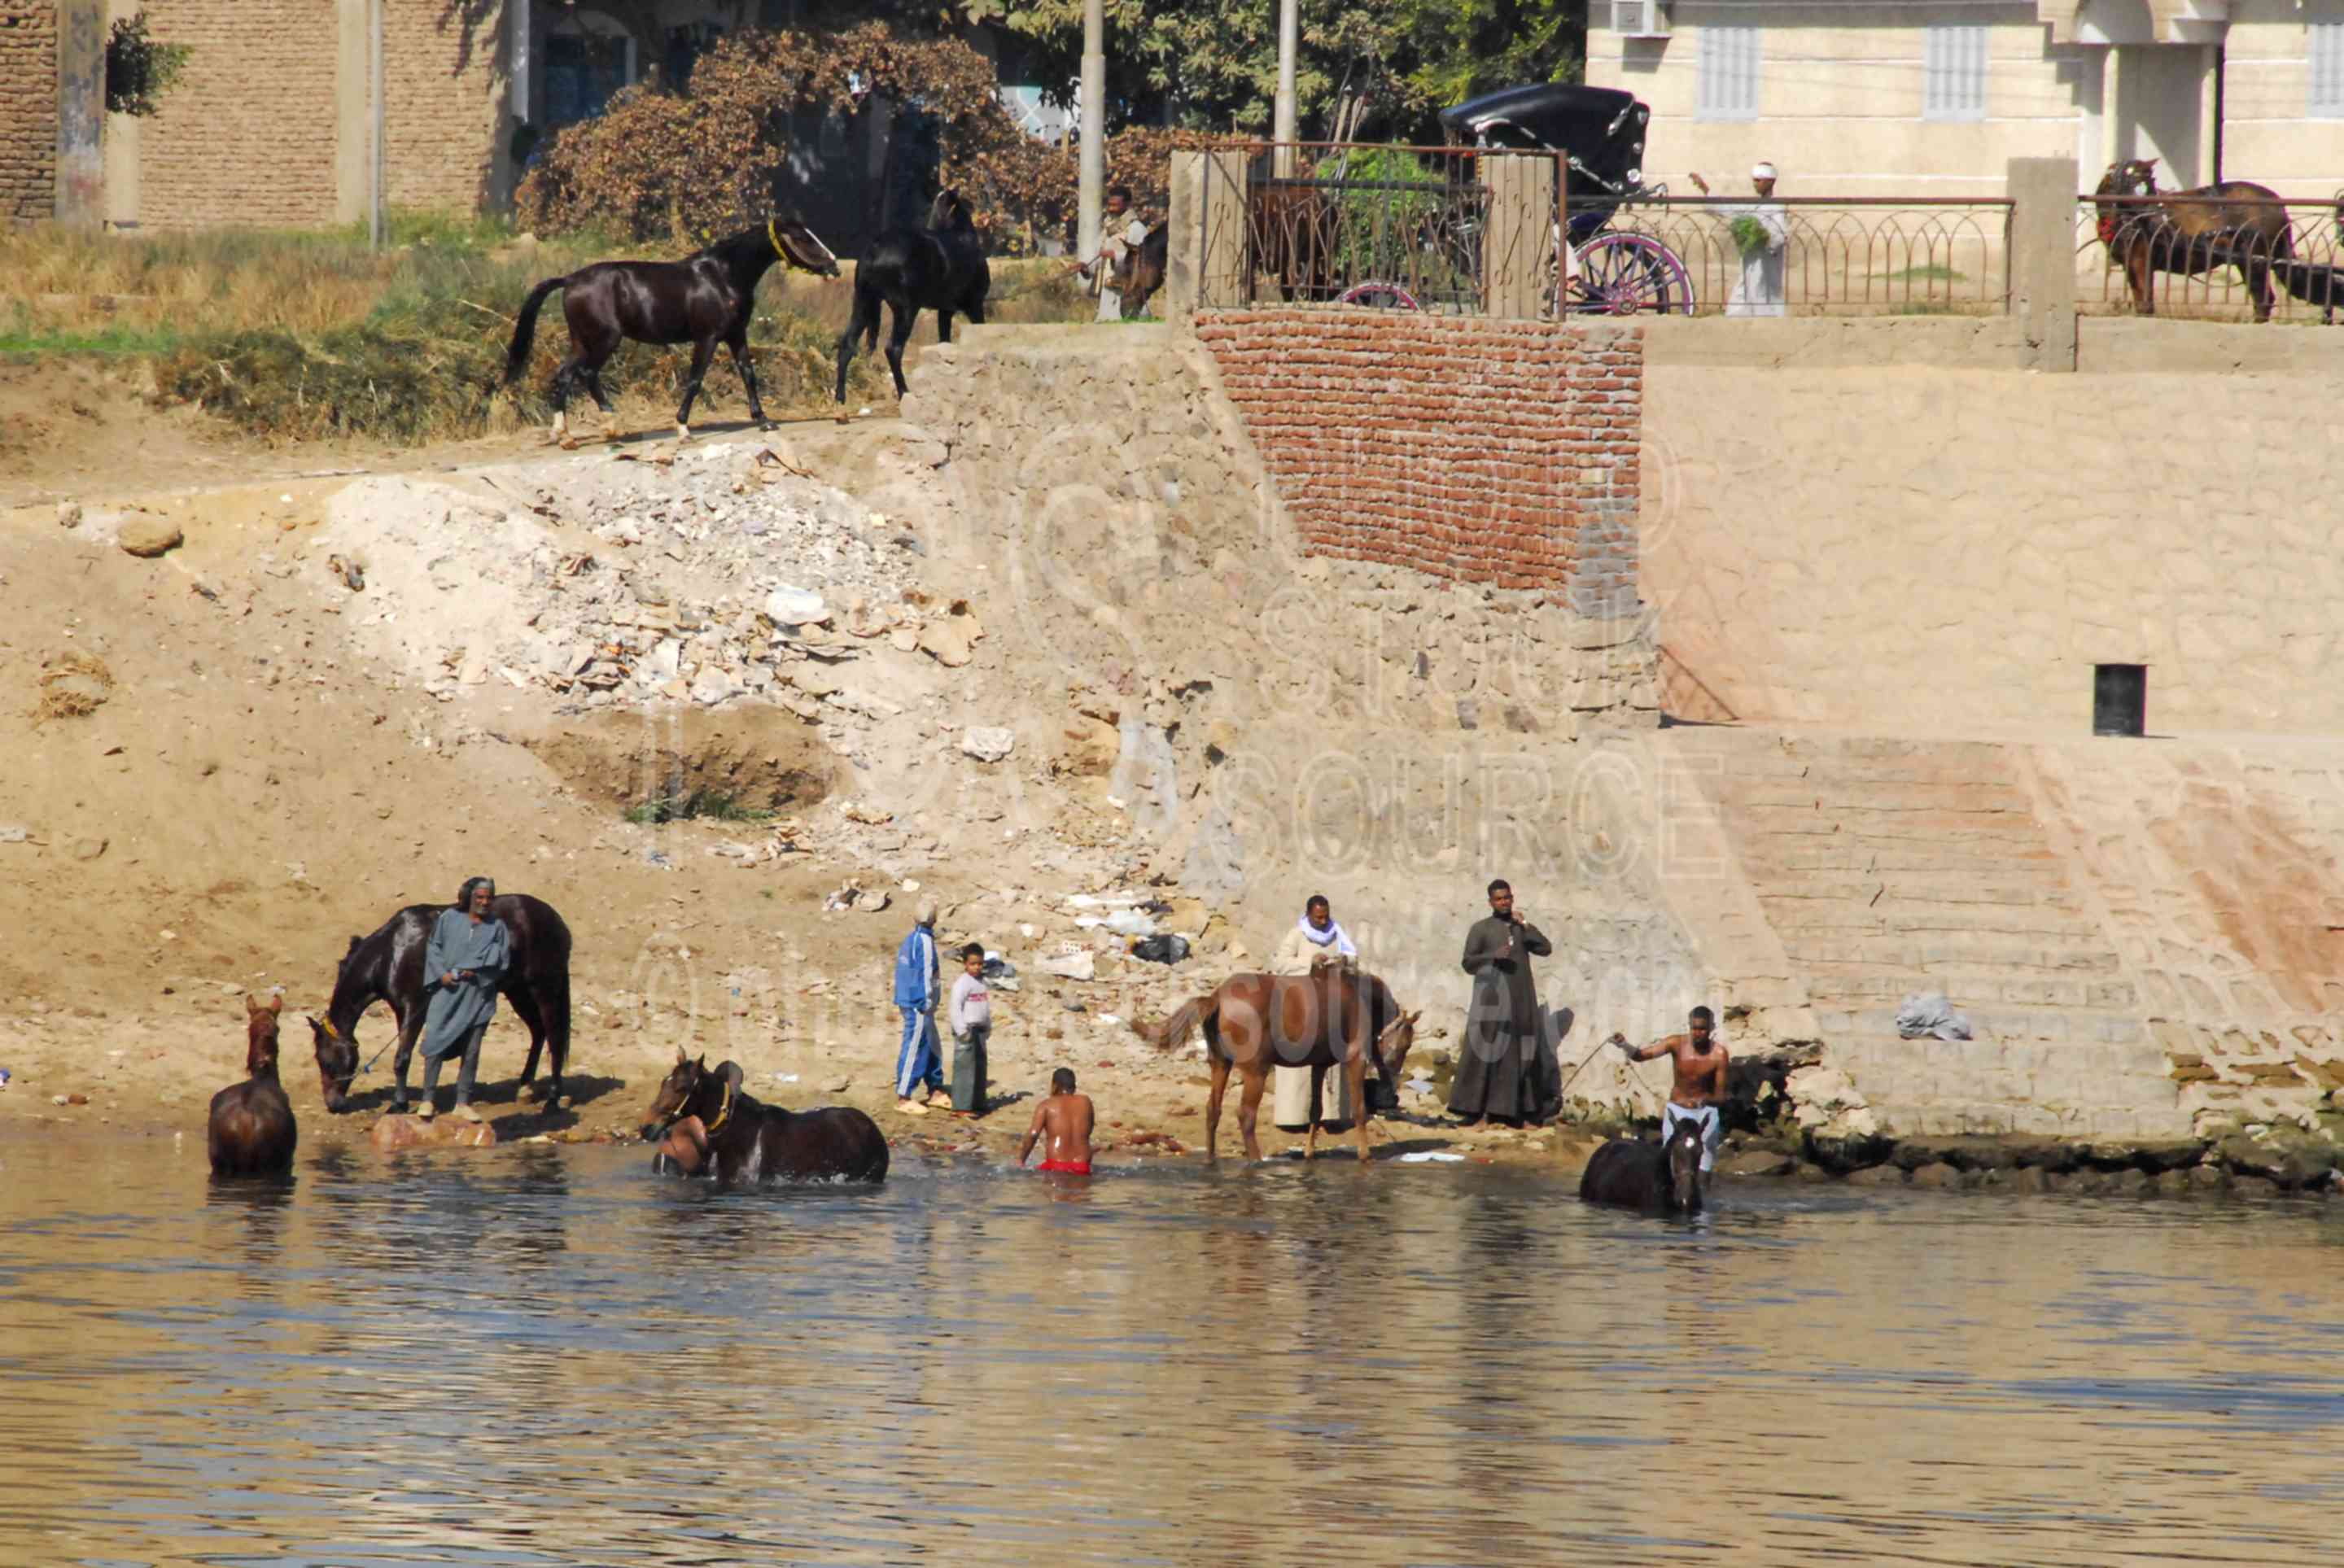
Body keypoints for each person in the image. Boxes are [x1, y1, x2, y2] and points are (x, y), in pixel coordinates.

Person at [405, 876, 509, 1121]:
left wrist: (479, 972)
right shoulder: (449, 919)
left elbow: (502, 961)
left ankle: (463, 1102)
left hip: (478, 996)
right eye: (480, 898)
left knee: (472, 1050)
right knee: (435, 1045)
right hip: (447, 992)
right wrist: (441, 975)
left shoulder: (498, 928)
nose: (484, 902)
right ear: (469, 898)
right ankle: (428, 1099)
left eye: (489, 898)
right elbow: (434, 948)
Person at [1450, 879, 1552, 1127]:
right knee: (1486, 1053)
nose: (1504, 902)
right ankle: (1480, 1111)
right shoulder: (1481, 929)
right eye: (1499, 899)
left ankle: (1517, 1113)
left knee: (1520, 1055)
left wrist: (1525, 924)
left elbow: (1545, 948)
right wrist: (1491, 956)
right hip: (1491, 1002)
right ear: (1491, 902)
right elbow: (1468, 963)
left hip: (1520, 1001)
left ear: (1512, 898)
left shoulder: (1521, 929)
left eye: (1507, 897)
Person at [1612, 1006, 1731, 1185]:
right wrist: (1623, 1044)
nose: (1697, 1033)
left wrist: (1706, 1100)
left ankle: (1703, 1207)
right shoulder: (1676, 1044)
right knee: (1672, 1159)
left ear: (1712, 1028)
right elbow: (1641, 1056)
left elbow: (1720, 1097)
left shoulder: (1719, 1054)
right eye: (1694, 1028)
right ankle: (1669, 1204)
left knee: (1704, 1161)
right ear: (1689, 1027)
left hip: (1705, 1113)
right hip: (1677, 1111)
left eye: (1702, 1029)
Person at [1270, 893, 1358, 1132]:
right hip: (1302, 1003)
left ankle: (1331, 1114)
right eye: (1318, 917)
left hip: (1329, 1005)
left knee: (1331, 1052)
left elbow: (1353, 958)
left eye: (1326, 916)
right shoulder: (1296, 934)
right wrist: (1310, 962)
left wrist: (1342, 960)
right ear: (1309, 914)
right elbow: (1280, 964)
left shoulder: (1336, 932)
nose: (1322, 921)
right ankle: (1295, 1116)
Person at [1692, 160, 1789, 318]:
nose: (1755, 184)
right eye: (1754, 180)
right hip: (1749, 261)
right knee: (1742, 296)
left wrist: (1763, 236)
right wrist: (1705, 188)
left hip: (1766, 262)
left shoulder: (1776, 207)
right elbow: (1728, 208)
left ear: (1770, 182)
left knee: (1763, 293)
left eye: (1759, 181)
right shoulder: (1752, 205)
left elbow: (1780, 235)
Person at [892, 897, 948, 1116]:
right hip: (918, 1004)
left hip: (918, 1003)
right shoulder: (923, 942)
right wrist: (925, 1001)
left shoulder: (912, 939)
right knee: (914, 1047)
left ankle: (935, 1088)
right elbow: (925, 973)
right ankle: (904, 1095)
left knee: (932, 1045)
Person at [1066, 186, 1149, 322]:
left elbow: (1145, 261)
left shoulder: (1137, 229)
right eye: (1110, 205)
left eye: (1116, 205)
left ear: (1128, 205)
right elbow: (1098, 263)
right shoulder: (1107, 231)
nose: (1111, 209)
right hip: (1108, 294)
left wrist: (1117, 257)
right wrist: (1085, 268)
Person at [1019, 1067, 1095, 1175]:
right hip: (1083, 1166)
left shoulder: (1046, 1105)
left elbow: (1033, 1134)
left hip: (1055, 1166)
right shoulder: (1086, 1102)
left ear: (1054, 1085)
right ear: (1074, 1086)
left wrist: (1021, 1159)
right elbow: (1089, 1129)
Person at [947, 941, 991, 1116]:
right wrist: (961, 1030)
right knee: (965, 1069)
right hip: (966, 1030)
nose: (977, 967)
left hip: (980, 1030)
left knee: (980, 1068)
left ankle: (977, 1102)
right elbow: (955, 1008)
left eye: (980, 964)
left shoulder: (981, 982)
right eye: (973, 964)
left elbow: (985, 1006)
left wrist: (988, 1026)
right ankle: (961, 1106)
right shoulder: (962, 984)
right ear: (965, 963)